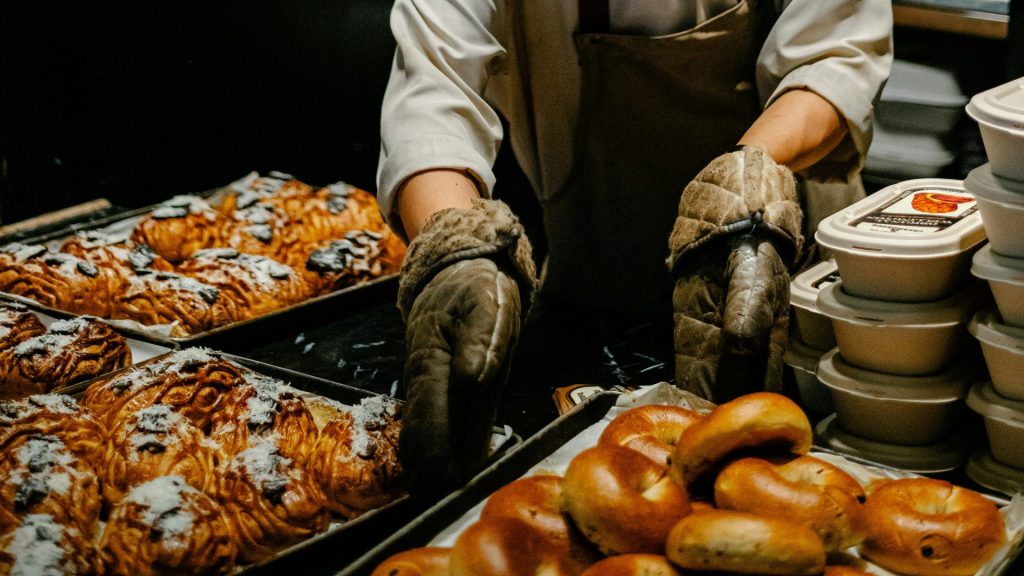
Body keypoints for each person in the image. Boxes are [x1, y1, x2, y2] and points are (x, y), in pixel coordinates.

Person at [378, 0, 893, 487]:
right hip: (594, 285)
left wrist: (741, 183)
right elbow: (432, 92)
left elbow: (835, 56)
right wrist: (456, 248)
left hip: (781, 268)